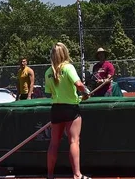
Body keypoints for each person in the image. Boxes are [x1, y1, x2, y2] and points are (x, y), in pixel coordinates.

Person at [44, 42, 91, 179]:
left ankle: (50, 175)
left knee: (54, 143)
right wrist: (87, 92)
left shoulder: (48, 72)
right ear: (64, 53)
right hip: (70, 108)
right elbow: (78, 84)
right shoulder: (68, 68)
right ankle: (77, 175)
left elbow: (50, 92)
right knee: (74, 141)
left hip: (56, 109)